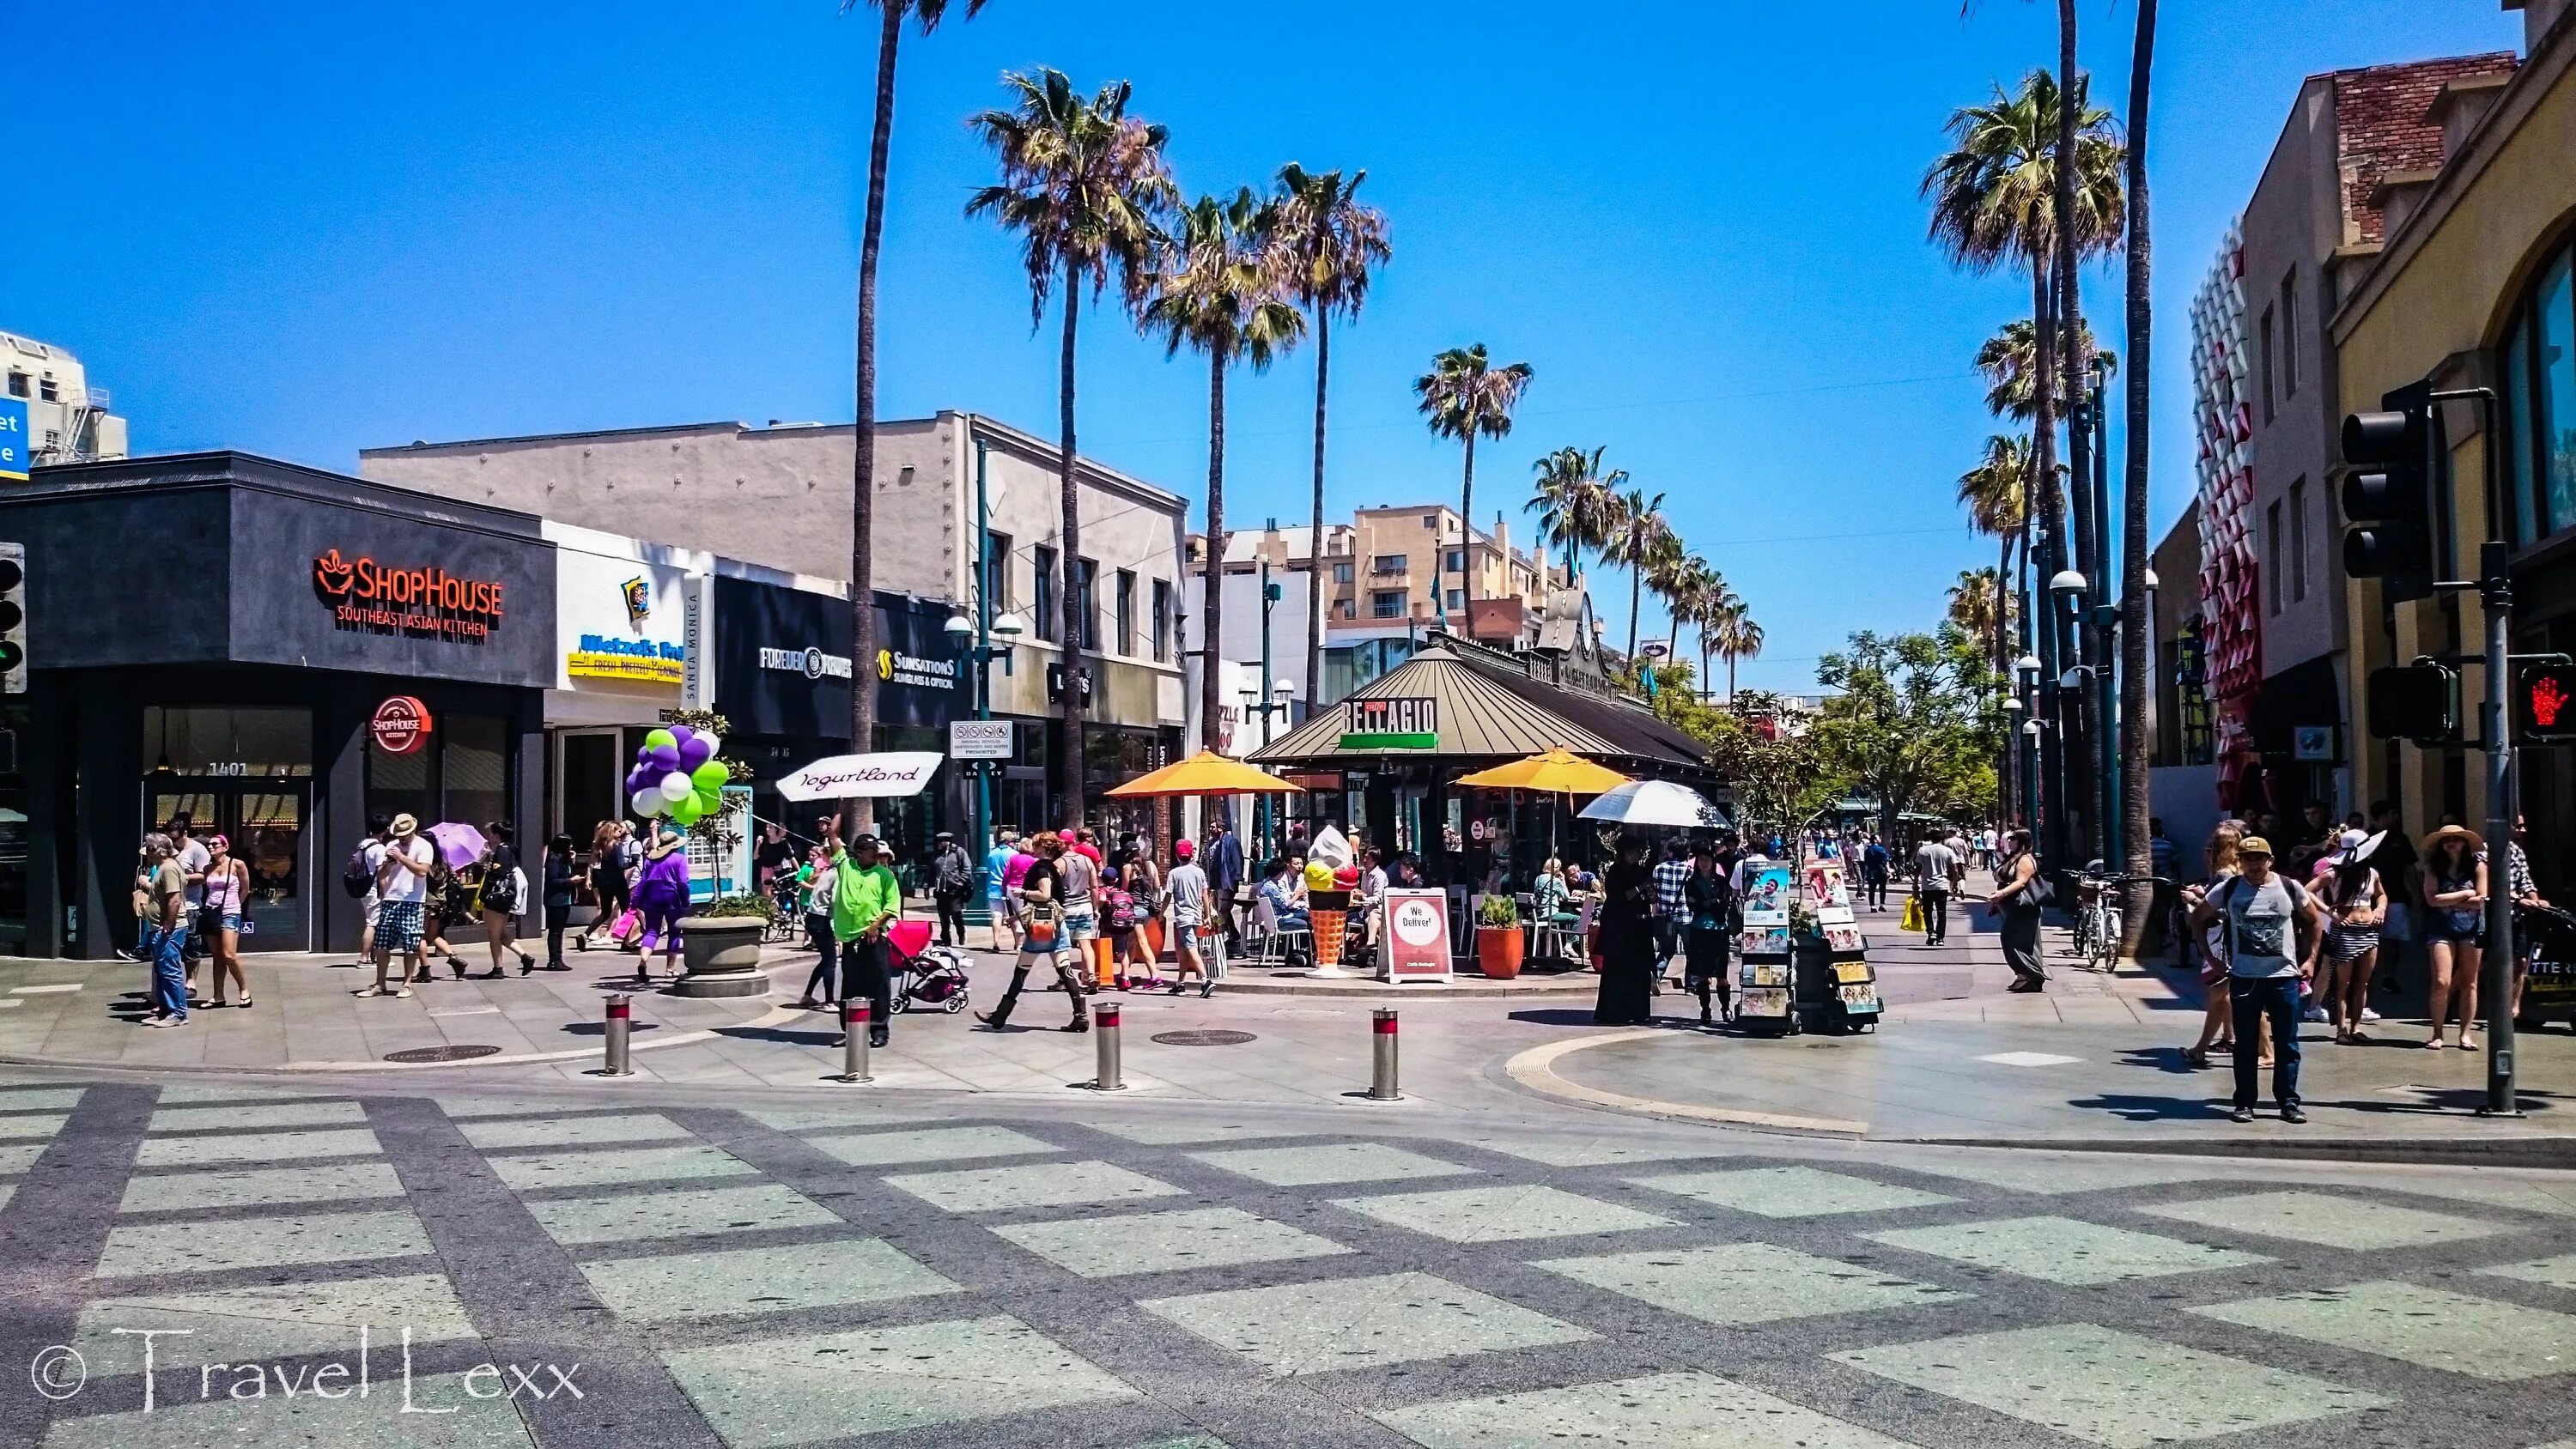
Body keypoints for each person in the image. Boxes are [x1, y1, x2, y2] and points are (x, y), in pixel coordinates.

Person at [2191, 835, 2325, 1124]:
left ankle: (2288, 1102)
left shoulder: (2289, 887)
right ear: (2240, 861)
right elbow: (2198, 918)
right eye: (2248, 859)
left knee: (2288, 1044)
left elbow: (2314, 921)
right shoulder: (2229, 889)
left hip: (2283, 978)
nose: (2254, 864)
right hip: (2244, 978)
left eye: (2259, 858)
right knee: (2246, 1044)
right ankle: (2244, 1102)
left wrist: (2312, 959)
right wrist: (2211, 958)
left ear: (2270, 860)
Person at [977, 831, 1091, 1032]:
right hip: (1055, 925)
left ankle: (1000, 1015)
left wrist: (1024, 893)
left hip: (1041, 929)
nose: (1033, 848)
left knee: (1020, 972)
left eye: (1036, 845)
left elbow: (1044, 895)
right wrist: (1016, 917)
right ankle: (1080, 1016)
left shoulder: (1041, 868)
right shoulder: (1052, 867)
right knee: (1065, 971)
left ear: (1043, 848)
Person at [830, 834, 902, 1048]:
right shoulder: (846, 866)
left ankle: (879, 1029)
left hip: (875, 937)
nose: (876, 853)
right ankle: (852, 1030)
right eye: (871, 850)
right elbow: (833, 837)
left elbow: (891, 906)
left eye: (876, 849)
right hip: (851, 937)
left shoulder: (885, 875)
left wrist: (875, 926)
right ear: (860, 852)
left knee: (878, 983)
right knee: (851, 985)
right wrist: (840, 805)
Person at [2421, 824, 2488, 1051]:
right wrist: (2466, 893)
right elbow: (2431, 900)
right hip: (2441, 927)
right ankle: (2437, 1032)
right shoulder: (2433, 868)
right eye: (2446, 839)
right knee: (2442, 981)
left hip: (2471, 928)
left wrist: (2447, 898)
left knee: (2470, 982)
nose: (2451, 842)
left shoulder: (2478, 865)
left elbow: (2482, 899)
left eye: (2457, 839)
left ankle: (2466, 1033)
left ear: (2465, 843)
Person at [359, 815, 436, 998]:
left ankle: (407, 984)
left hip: (413, 901)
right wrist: (387, 865)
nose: (401, 838)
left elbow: (422, 872)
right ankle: (380, 983)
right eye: (399, 835)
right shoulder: (391, 846)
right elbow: (382, 874)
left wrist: (402, 858)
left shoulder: (424, 846)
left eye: (405, 835)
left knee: (411, 944)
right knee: (382, 943)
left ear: (413, 831)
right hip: (391, 899)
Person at [2320, 834, 2385, 1045]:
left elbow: (2381, 895)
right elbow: (2307, 891)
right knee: (2343, 983)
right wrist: (2331, 914)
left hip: (2368, 929)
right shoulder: (2334, 874)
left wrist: (2381, 909)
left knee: (2362, 983)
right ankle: (2341, 1030)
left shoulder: (2371, 873)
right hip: (2346, 930)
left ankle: (2356, 1027)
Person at [1595, 835, 1657, 1024]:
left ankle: (1638, 1011)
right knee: (1618, 970)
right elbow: (1620, 897)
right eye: (1633, 851)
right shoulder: (1615, 872)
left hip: (1640, 925)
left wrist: (1651, 893)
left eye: (1639, 851)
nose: (1636, 855)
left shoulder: (1642, 871)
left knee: (1640, 970)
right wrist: (1640, 887)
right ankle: (1614, 1011)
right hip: (1620, 927)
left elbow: (1651, 898)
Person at [137, 834, 191, 1026]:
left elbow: (174, 899)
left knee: (170, 970)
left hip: (169, 928)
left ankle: (177, 1013)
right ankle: (166, 1010)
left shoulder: (168, 868)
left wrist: (167, 925)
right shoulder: (165, 868)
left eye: (149, 849)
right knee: (163, 971)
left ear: (156, 850)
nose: (147, 854)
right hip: (161, 928)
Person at [1988, 828, 2047, 992]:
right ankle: (2024, 975)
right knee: (2012, 940)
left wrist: (2001, 893)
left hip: (2023, 907)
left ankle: (2031, 975)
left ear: (2021, 840)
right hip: (2011, 907)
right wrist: (1997, 901)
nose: (2009, 841)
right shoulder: (2013, 858)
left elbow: (2021, 882)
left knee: (2016, 940)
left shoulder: (2025, 860)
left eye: (2013, 838)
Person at [632, 823, 691, 984]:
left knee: (651, 931)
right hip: (672, 897)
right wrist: (686, 900)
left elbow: (642, 882)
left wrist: (635, 901)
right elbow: (683, 882)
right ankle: (670, 970)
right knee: (674, 932)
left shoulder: (650, 860)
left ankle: (644, 960)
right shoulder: (679, 859)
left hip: (652, 897)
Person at [1682, 843, 1734, 1025]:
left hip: (1719, 930)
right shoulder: (1690, 883)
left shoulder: (1720, 882)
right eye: (1701, 860)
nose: (1704, 863)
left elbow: (1724, 903)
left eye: (1708, 859)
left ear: (1713, 862)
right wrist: (1710, 902)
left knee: (1721, 974)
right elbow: (1692, 905)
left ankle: (1726, 1009)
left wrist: (1706, 902)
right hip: (1699, 929)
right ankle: (1705, 1010)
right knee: (1703, 973)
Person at [2505, 814, 2549, 1018]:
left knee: (2520, 961)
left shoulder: (2518, 851)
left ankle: (2514, 1008)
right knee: (2483, 965)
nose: (2523, 830)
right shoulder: (2487, 851)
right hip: (2495, 917)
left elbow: (2526, 881)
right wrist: (2518, 899)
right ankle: (2452, 994)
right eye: (2519, 826)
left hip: (2515, 916)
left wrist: (2536, 900)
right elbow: (2493, 885)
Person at [478, 822, 534, 979]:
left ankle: (498, 968)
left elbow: (498, 873)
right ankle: (525, 957)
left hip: (497, 897)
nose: (488, 838)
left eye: (490, 834)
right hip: (506, 897)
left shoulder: (501, 851)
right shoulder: (511, 848)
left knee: (494, 934)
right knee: (501, 933)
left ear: (496, 835)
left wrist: (484, 892)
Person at [201, 834, 251, 1009]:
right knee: (217, 955)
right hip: (211, 912)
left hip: (230, 912)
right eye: (209, 845)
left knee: (229, 954)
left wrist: (236, 905)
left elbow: (245, 889)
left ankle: (244, 990)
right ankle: (218, 995)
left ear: (225, 846)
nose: (211, 847)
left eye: (215, 844)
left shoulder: (237, 864)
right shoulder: (207, 868)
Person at [1165, 837, 1214, 997]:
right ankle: (1180, 983)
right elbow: (1205, 896)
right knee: (1185, 950)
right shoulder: (1198, 871)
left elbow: (1167, 896)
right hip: (1196, 914)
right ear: (1192, 854)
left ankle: (1205, 980)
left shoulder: (1174, 873)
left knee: (1191, 947)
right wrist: (1207, 915)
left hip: (1183, 916)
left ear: (1177, 855)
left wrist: (1161, 913)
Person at [796, 843, 841, 1009]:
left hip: (814, 917)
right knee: (831, 961)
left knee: (826, 959)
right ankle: (829, 1001)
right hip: (822, 918)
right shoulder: (836, 873)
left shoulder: (826, 871)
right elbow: (836, 900)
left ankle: (807, 996)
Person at [1651, 838, 1692, 987]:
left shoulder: (1658, 869)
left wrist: (1655, 912)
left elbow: (1654, 894)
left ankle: (1655, 975)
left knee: (1666, 950)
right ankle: (1690, 986)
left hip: (1666, 916)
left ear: (1670, 852)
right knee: (1691, 952)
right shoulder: (1690, 870)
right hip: (1687, 916)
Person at [585, 821, 630, 948]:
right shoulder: (617, 845)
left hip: (605, 882)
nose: (620, 832)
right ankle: (627, 940)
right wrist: (632, 862)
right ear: (613, 832)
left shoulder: (602, 846)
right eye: (618, 830)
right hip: (618, 881)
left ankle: (586, 933)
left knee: (605, 911)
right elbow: (621, 864)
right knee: (627, 910)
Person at [539, 834, 578, 971]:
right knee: (555, 931)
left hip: (565, 899)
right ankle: (554, 959)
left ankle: (558, 958)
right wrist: (570, 881)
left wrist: (572, 862)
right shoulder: (554, 860)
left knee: (560, 930)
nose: (571, 847)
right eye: (569, 844)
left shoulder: (564, 860)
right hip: (555, 900)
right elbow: (552, 880)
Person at [1912, 833, 1958, 945]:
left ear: (1931, 839)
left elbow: (1917, 868)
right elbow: (1955, 869)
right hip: (1942, 885)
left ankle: (1931, 932)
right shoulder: (1948, 851)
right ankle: (1940, 937)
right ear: (1942, 839)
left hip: (1927, 885)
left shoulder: (1923, 851)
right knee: (1941, 912)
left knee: (1927, 911)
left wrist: (1915, 882)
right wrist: (1954, 883)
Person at [1207, 822, 1246, 947]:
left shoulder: (1231, 842)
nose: (1211, 829)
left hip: (1226, 880)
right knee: (1222, 910)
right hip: (1214, 881)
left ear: (1221, 828)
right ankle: (1233, 933)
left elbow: (1237, 860)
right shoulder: (1211, 842)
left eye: (1213, 827)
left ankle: (1219, 938)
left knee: (1222, 910)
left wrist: (1237, 877)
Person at [985, 829, 1020, 953]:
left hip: (993, 887)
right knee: (1013, 916)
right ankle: (1017, 944)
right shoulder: (1014, 854)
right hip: (1008, 888)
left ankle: (996, 942)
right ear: (1009, 841)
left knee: (997, 915)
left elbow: (988, 870)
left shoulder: (991, 854)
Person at [1255, 858, 1309, 934]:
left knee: (1307, 915)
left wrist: (1292, 894)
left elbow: (1280, 898)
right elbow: (1286, 904)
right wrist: (1297, 895)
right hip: (1280, 919)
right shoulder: (1271, 888)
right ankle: (1303, 944)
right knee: (1308, 922)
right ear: (1280, 873)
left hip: (1277, 918)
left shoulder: (1267, 883)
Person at [1857, 835, 1891, 912]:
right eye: (1878, 838)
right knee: (1882, 888)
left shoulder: (1867, 850)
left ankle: (1872, 906)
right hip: (1881, 870)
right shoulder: (1881, 849)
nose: (1880, 839)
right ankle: (1882, 905)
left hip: (1871, 870)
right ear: (1875, 840)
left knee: (1872, 889)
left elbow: (1866, 862)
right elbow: (1885, 861)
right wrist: (1888, 871)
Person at [2148, 818, 2178, 887]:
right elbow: (2176, 863)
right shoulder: (2169, 846)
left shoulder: (2146, 848)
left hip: (2152, 880)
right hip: (2168, 880)